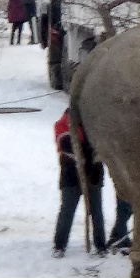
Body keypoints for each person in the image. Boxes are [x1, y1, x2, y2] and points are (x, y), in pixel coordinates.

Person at [53, 108, 107, 258]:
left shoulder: (96, 125)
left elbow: (101, 148)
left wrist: (94, 164)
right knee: (67, 211)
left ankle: (101, 245)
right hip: (71, 176)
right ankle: (59, 245)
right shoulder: (63, 124)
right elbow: (66, 145)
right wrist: (86, 155)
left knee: (96, 211)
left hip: (93, 175)